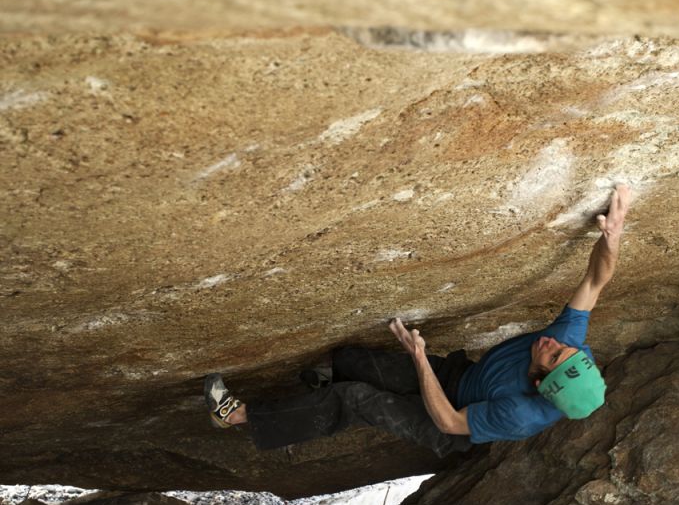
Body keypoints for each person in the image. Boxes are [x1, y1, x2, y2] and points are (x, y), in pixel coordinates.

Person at [203, 184, 631, 458]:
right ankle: (314, 395)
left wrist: (420, 358)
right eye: (566, 347)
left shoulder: (520, 415)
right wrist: (611, 237)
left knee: (355, 399)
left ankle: (239, 416)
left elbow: (447, 421)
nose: (553, 343)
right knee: (349, 360)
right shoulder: (569, 345)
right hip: (461, 376)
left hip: (450, 423)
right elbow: (596, 281)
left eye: (552, 355)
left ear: (540, 383)